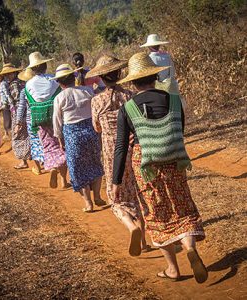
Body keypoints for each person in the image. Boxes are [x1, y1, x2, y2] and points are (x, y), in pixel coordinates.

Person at [112, 52, 207, 283]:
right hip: (174, 162)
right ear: (155, 76)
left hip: (146, 167)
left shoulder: (128, 108)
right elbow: (179, 132)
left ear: (133, 82)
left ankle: (173, 269)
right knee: (182, 206)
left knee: (156, 213)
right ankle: (189, 246)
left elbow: (121, 148)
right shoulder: (173, 100)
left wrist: (116, 182)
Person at [88, 55, 151, 255]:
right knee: (136, 192)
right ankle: (143, 242)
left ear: (101, 78)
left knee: (115, 195)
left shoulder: (97, 100)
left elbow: (96, 127)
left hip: (110, 149)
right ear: (120, 73)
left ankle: (130, 226)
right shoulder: (130, 96)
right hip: (132, 146)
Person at [52, 63, 105, 212]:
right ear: (74, 78)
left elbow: (57, 122)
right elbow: (96, 110)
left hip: (72, 134)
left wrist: (60, 139)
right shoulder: (87, 90)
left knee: (77, 169)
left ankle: (88, 203)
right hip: (91, 131)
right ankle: (98, 196)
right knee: (95, 163)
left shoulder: (60, 97)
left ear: (59, 82)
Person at [25, 52, 68, 189]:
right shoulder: (53, 80)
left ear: (32, 69)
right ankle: (63, 180)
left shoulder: (28, 85)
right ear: (45, 65)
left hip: (40, 120)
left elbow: (29, 103)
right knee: (62, 146)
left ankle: (53, 168)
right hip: (57, 117)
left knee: (49, 147)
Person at [0, 64, 31, 170]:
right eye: (6, 74)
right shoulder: (22, 81)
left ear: (13, 73)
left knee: (18, 135)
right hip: (28, 111)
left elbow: (17, 101)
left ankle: (23, 161)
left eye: (8, 73)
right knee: (28, 134)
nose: (7, 76)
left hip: (18, 112)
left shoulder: (14, 84)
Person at [17, 68, 45, 175]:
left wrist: (18, 122)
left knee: (34, 142)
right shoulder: (41, 87)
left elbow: (21, 107)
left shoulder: (24, 90)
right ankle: (46, 162)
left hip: (31, 119)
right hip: (43, 116)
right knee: (44, 140)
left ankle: (37, 168)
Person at [0, 67, 13, 140]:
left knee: (7, 119)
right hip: (5, 103)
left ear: (1, 76)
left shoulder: (3, 84)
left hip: (6, 104)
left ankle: (9, 134)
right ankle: (7, 134)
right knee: (6, 119)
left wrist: (9, 103)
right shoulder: (6, 82)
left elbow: (7, 94)